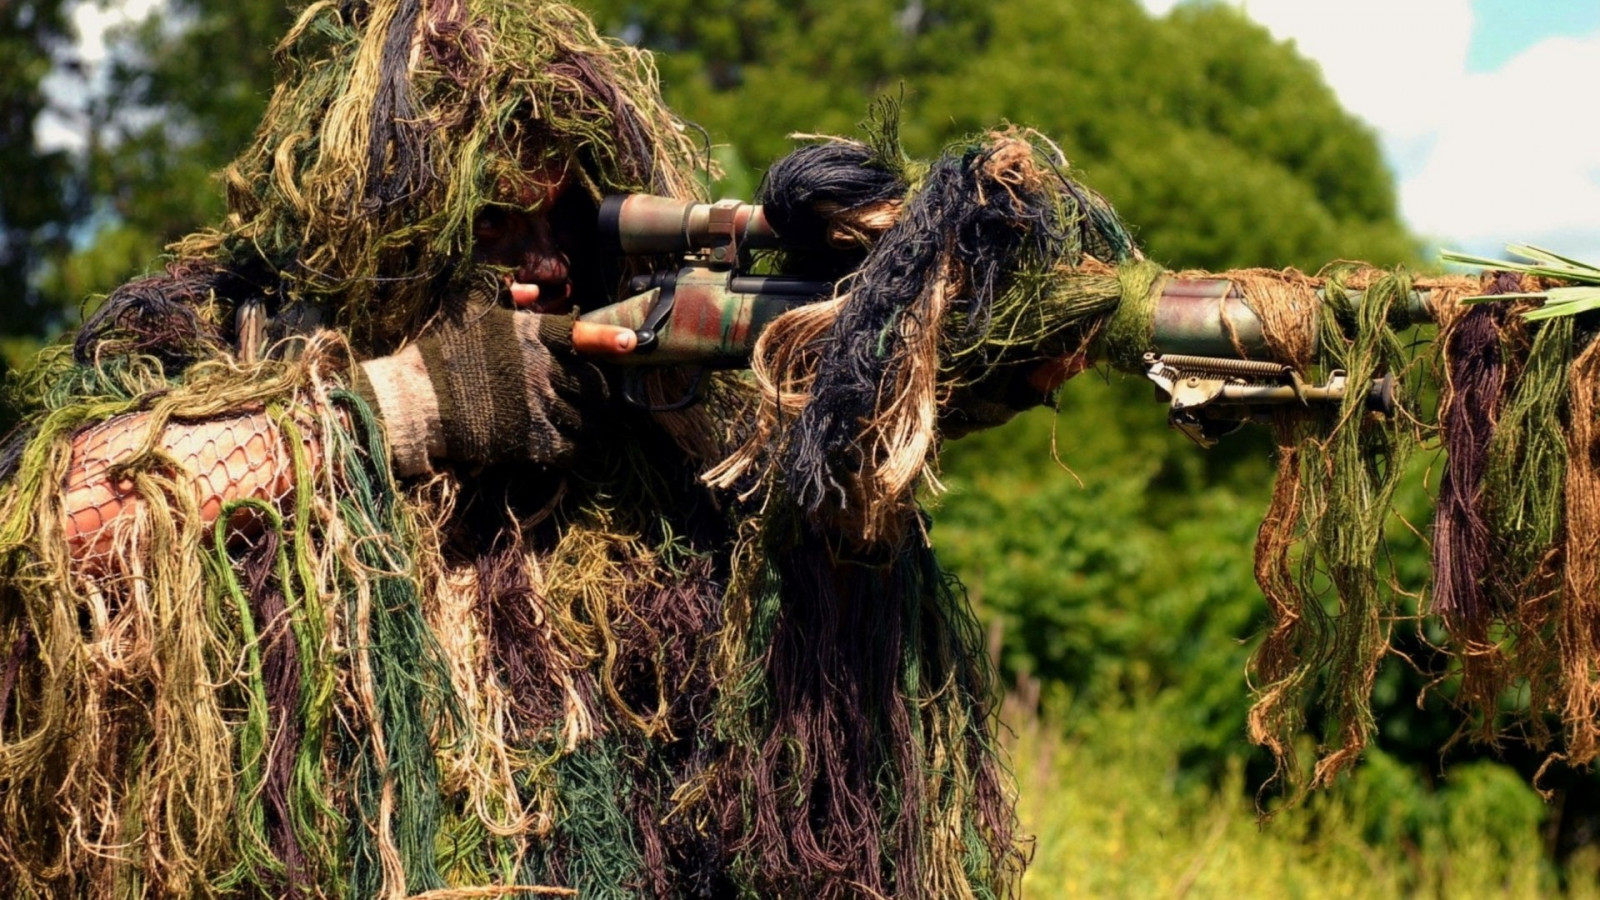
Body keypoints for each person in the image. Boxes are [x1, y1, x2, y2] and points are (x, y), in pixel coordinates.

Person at [0, 1, 1132, 896]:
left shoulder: (635, 413)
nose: (541, 261)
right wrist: (409, 408)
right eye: (494, 224)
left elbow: (808, 674)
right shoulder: (227, 329)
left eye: (568, 221)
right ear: (383, 223)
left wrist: (891, 396)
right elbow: (59, 528)